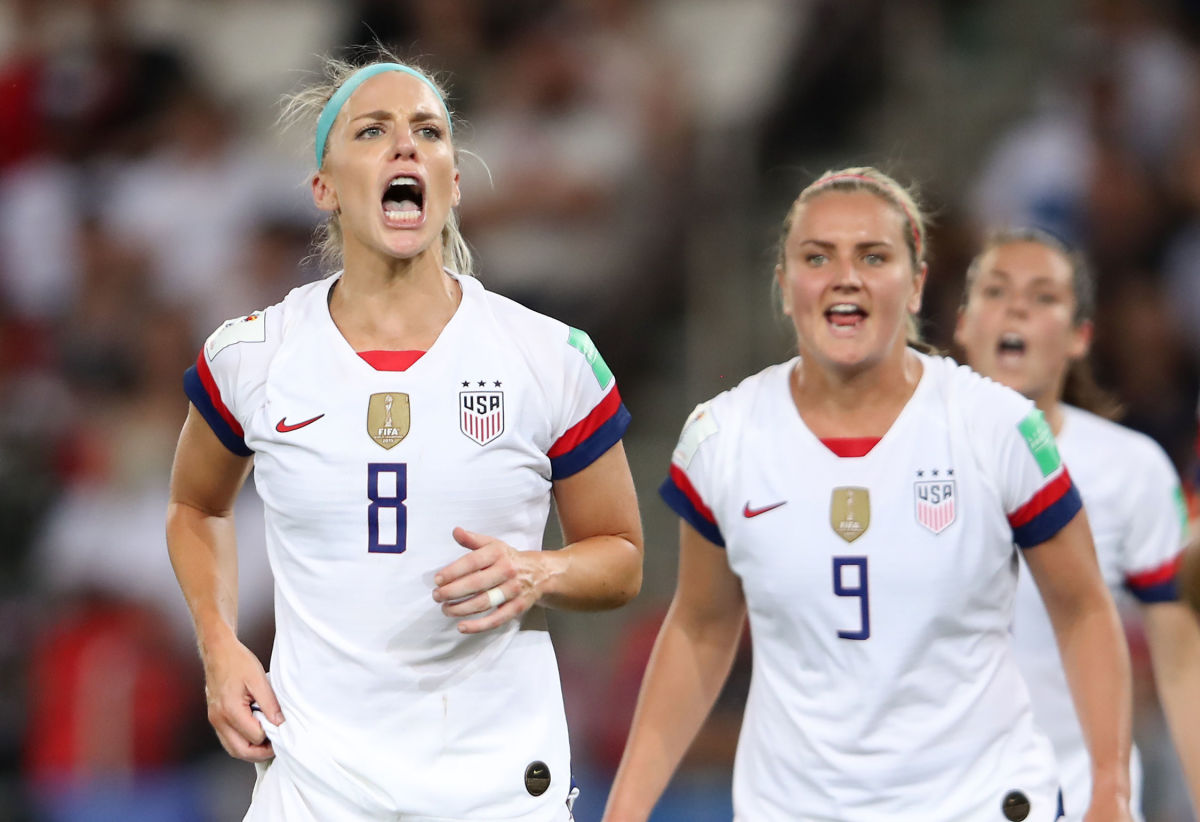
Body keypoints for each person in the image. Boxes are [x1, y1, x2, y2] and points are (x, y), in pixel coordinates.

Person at [164, 53, 644, 822]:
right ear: (324, 187)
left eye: (428, 131)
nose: (404, 146)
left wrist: (539, 570)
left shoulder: (548, 356)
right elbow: (196, 507)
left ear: (453, 182)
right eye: (372, 131)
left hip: (496, 790)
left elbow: (620, 556)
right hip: (313, 786)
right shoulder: (252, 355)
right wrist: (219, 645)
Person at [602, 168, 1134, 822]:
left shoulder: (998, 427)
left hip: (978, 803)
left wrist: (1110, 789)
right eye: (817, 257)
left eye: (873, 256)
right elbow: (702, 626)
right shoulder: (724, 436)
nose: (845, 276)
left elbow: (1083, 609)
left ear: (917, 285)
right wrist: (626, 807)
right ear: (784, 285)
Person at [954, 228, 1200, 821]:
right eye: (996, 291)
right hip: (938, 800)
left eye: (1043, 297)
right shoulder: (899, 457)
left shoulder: (1130, 468)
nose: (1016, 308)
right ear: (962, 323)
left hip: (1084, 799)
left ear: (1080, 336)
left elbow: (1182, 661)